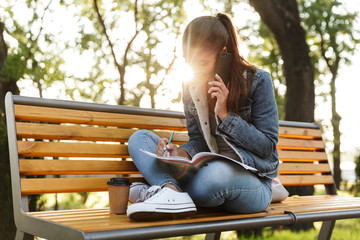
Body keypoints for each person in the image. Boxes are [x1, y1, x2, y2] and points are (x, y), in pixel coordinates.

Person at [126, 12, 279, 221]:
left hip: (253, 182)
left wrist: (226, 116)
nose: (195, 70)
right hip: (205, 174)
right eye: (189, 62)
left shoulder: (258, 81)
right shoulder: (191, 87)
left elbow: (267, 146)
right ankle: (170, 189)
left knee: (214, 176)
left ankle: (155, 191)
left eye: (202, 62)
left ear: (224, 54)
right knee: (140, 139)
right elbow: (198, 141)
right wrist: (180, 153)